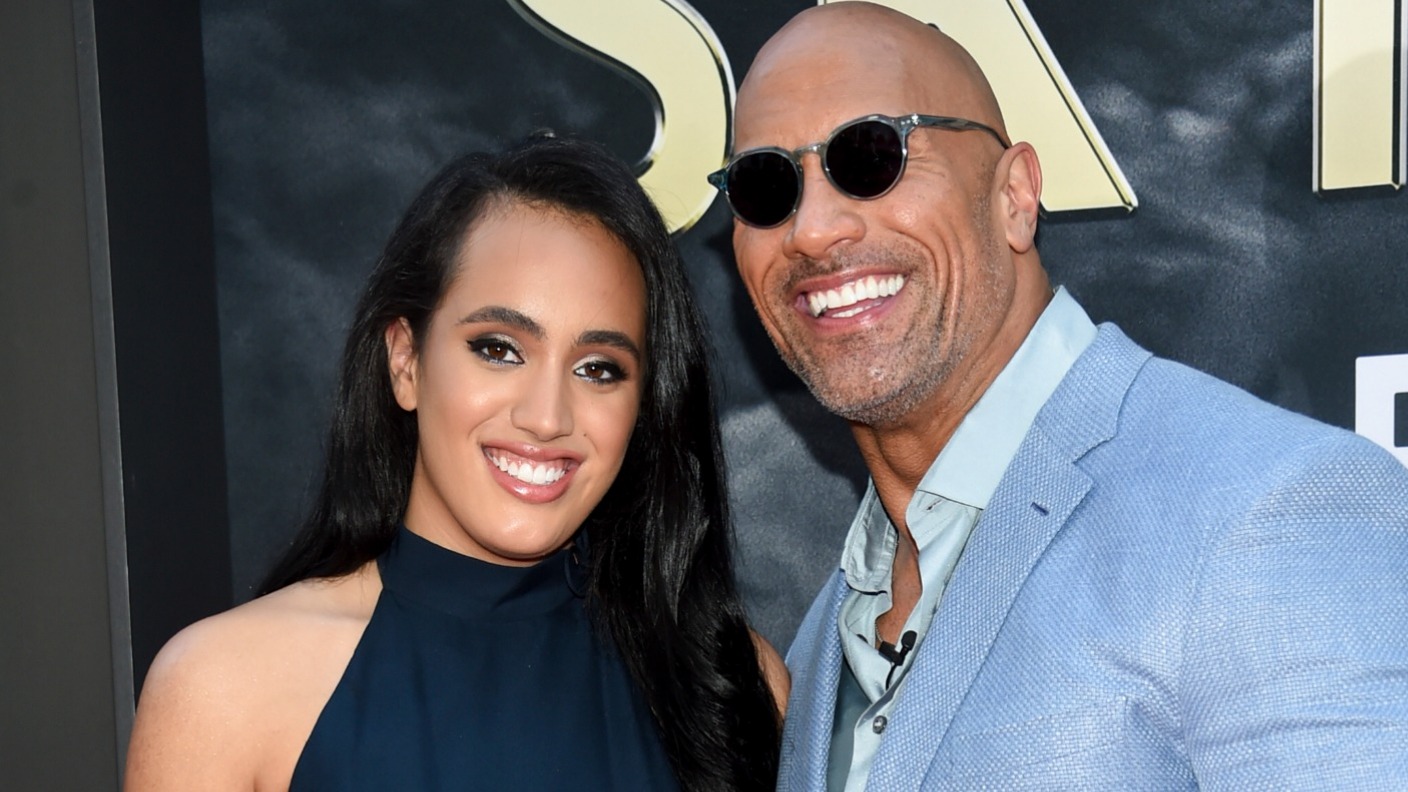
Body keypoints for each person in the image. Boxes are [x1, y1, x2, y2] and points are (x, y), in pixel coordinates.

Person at [710, 3, 1408, 789]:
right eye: (764, 187)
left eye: (870, 157)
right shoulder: (824, 632)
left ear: (1015, 195)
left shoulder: (1270, 510)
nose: (811, 231)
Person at [125, 134, 787, 791]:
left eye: (598, 368)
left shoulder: (731, 686)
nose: (546, 417)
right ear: (405, 362)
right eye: (499, 349)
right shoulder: (226, 689)